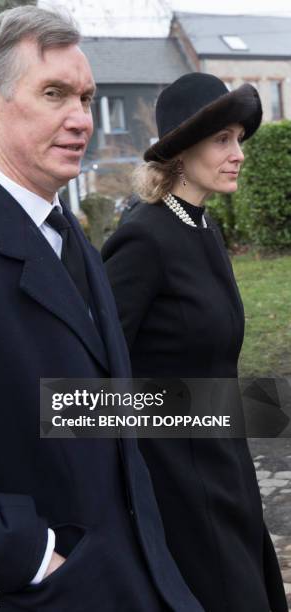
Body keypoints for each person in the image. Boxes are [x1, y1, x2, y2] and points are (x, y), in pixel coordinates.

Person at [0, 8, 206, 612]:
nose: (81, 120)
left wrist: (238, 418)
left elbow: (79, 402)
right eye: (54, 94)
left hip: (138, 578)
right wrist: (39, 556)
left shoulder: (69, 234)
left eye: (85, 97)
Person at [102, 73, 288, 612]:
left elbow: (209, 361)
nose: (238, 154)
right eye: (222, 140)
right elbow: (94, 373)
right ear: (181, 151)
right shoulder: (144, 237)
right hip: (179, 485)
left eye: (239, 139)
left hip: (226, 465)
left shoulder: (202, 227)